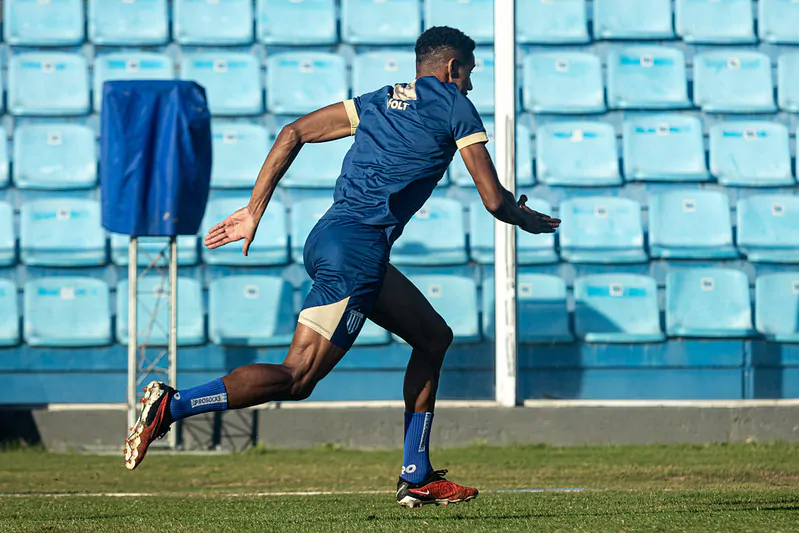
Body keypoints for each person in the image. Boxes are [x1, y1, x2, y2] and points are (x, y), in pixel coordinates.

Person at [123, 26, 560, 508]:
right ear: (452, 68)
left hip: (330, 237)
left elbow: (294, 132)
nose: (472, 85)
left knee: (433, 337)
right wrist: (526, 219)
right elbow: (494, 200)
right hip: (358, 251)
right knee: (298, 378)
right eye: (470, 74)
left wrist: (254, 210)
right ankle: (173, 404)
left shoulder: (378, 99)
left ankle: (416, 473)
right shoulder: (455, 105)